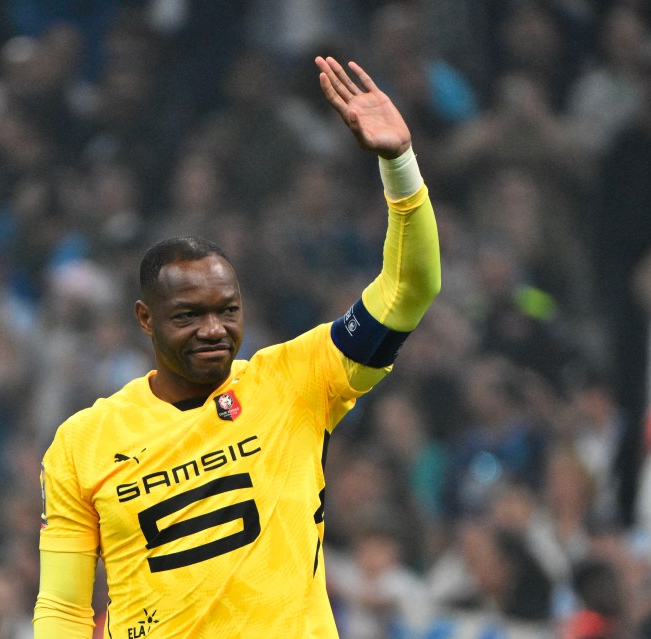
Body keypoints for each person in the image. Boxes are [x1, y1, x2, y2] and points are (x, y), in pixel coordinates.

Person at [32, 55, 442, 638]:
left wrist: (399, 163)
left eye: (228, 311)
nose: (213, 330)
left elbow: (410, 288)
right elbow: (64, 608)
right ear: (145, 319)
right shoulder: (81, 445)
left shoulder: (295, 381)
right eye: (189, 315)